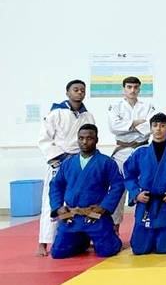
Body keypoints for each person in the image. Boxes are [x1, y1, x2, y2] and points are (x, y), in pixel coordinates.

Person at [36, 79, 96, 256]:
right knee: (51, 201)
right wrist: (58, 158)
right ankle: (44, 242)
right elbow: (44, 139)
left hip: (80, 162)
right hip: (59, 162)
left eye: (82, 90)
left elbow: (91, 139)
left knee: (80, 201)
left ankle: (81, 238)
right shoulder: (56, 113)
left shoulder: (88, 116)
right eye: (75, 89)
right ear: (67, 93)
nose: (79, 92)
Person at [49, 124, 124, 259]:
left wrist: (104, 207)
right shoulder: (68, 163)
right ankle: (82, 240)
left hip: (95, 214)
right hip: (72, 215)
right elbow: (56, 185)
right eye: (81, 138)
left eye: (89, 138)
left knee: (107, 251)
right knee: (58, 253)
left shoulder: (106, 162)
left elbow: (118, 185)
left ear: (96, 140)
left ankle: (112, 239)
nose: (84, 142)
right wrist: (58, 207)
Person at [123, 113, 166, 255]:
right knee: (139, 249)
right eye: (155, 125)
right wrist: (136, 193)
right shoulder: (140, 151)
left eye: (162, 126)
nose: (158, 129)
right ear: (150, 128)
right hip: (146, 202)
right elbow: (128, 175)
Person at [107, 76, 156, 229]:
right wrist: (136, 123)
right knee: (117, 189)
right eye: (129, 87)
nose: (132, 90)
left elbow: (151, 126)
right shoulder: (115, 106)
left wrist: (127, 126)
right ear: (124, 89)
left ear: (139, 89)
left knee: (145, 188)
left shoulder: (147, 106)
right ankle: (115, 228)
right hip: (122, 152)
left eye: (135, 87)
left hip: (142, 151)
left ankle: (144, 226)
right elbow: (114, 127)